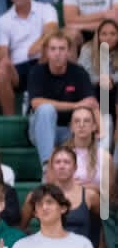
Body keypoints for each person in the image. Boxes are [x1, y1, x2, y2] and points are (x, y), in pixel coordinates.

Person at [27, 32, 98, 165]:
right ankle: (47, 167)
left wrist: (99, 129)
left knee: (91, 122)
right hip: (40, 130)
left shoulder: (78, 72)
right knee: (46, 109)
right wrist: (75, 105)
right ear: (46, 52)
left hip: (69, 130)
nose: (57, 53)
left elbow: (91, 103)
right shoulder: (37, 72)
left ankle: (94, 168)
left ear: (68, 51)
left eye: (62, 49)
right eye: (53, 49)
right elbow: (36, 103)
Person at [0, 0, 59, 116]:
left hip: (43, 62)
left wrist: (38, 44)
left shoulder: (46, 9)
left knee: (51, 49)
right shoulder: (3, 20)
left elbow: (52, 30)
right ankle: (10, 119)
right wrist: (4, 61)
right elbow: (2, 51)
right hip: (18, 68)